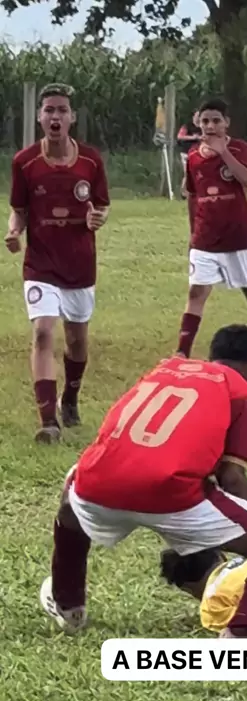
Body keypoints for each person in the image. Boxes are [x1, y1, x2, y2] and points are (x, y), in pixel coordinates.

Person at [39, 324, 247, 635]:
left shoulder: (163, 370)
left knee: (71, 496)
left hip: (98, 483)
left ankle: (69, 606)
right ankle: (241, 633)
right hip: (170, 494)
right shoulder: (243, 394)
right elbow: (232, 481)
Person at [4, 82, 110, 444]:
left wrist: (98, 218)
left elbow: (102, 206)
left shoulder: (90, 160)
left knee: (77, 342)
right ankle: (48, 421)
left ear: (72, 117)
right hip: (41, 264)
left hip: (80, 265)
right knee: (43, 332)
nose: (55, 116)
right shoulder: (25, 162)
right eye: (49, 110)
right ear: (39, 117)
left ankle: (71, 398)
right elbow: (19, 210)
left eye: (62, 110)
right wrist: (14, 231)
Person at [176, 97, 247, 365]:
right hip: (205, 238)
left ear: (226, 123)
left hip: (237, 237)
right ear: (198, 123)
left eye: (216, 121)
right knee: (196, 292)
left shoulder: (238, 148)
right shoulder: (194, 156)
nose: (210, 126)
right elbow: (192, 195)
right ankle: (182, 352)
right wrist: (192, 234)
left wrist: (223, 153)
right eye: (205, 121)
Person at [177, 111, 201, 198]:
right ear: (193, 116)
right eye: (197, 115)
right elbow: (180, 136)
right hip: (186, 153)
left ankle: (194, 192)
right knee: (187, 173)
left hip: (198, 153)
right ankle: (183, 192)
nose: (198, 117)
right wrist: (193, 137)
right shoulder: (187, 126)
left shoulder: (203, 127)